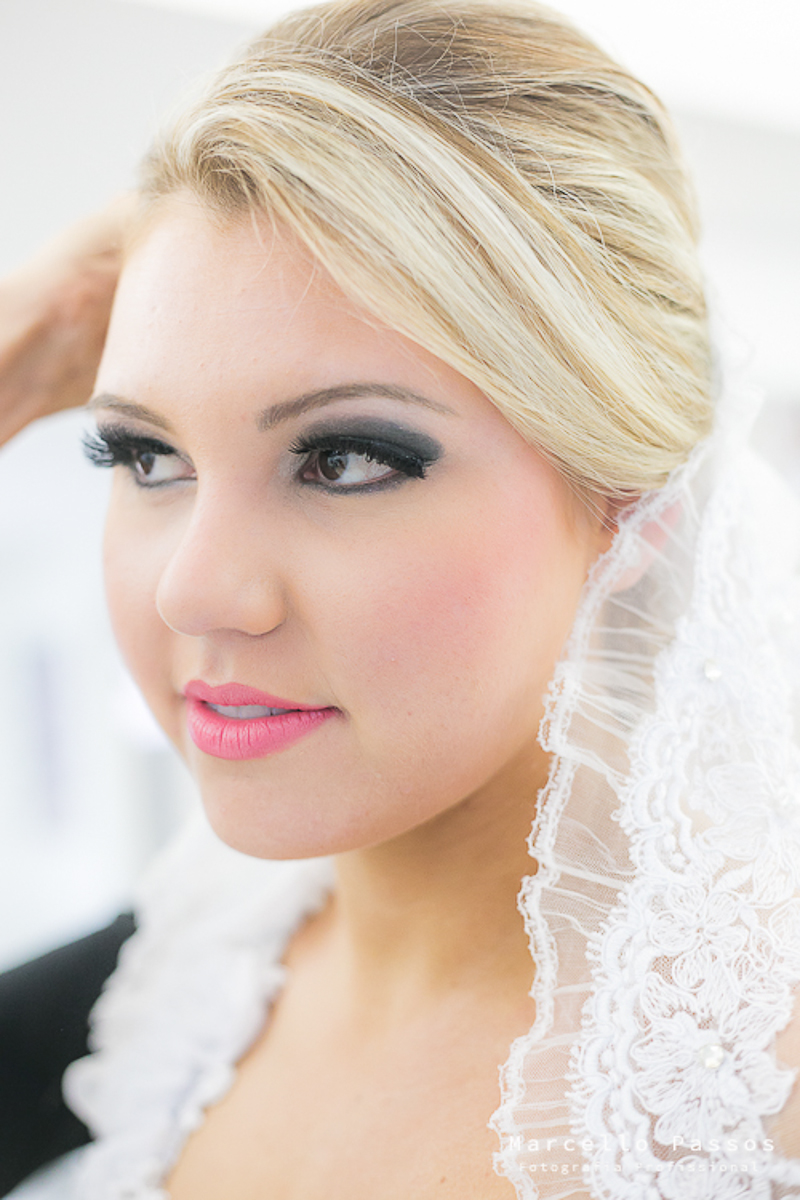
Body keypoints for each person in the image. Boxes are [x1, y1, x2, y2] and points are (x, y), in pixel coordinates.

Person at [1, 0, 799, 1196]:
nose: (194, 592)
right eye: (146, 455)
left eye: (343, 461)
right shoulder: (174, 980)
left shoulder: (754, 1091)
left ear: (627, 502)